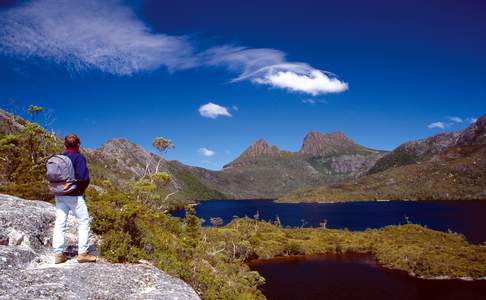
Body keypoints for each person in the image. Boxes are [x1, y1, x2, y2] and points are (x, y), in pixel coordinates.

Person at [52, 134, 97, 264]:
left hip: (59, 193)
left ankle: (58, 254)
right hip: (74, 194)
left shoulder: (60, 158)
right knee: (83, 221)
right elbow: (83, 177)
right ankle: (83, 253)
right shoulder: (78, 157)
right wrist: (81, 190)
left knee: (60, 223)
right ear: (78, 145)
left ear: (65, 145)